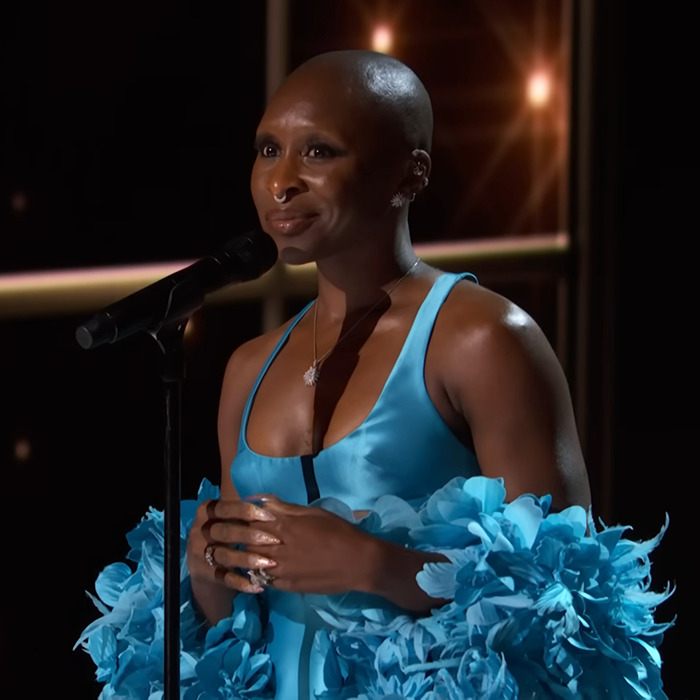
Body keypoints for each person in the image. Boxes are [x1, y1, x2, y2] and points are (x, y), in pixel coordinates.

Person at [77, 50, 672, 699]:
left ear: (409, 174)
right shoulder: (248, 369)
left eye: (320, 152)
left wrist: (378, 566)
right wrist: (209, 579)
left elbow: (569, 603)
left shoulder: (484, 341)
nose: (281, 182)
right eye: (268, 149)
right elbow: (239, 637)